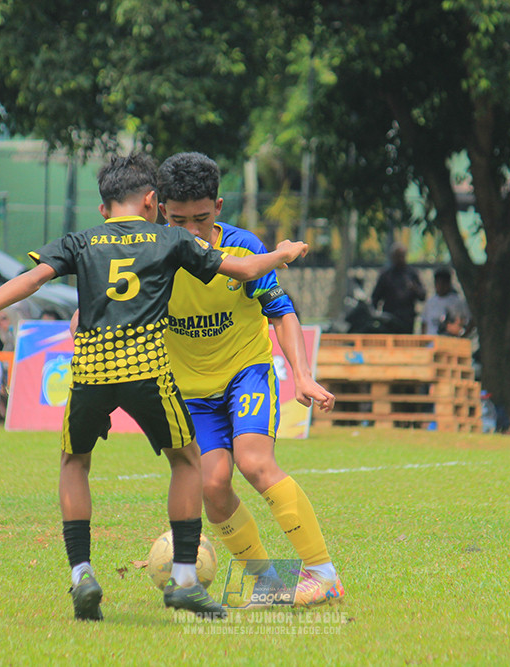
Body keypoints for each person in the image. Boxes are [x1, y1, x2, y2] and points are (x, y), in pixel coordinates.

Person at [0, 152, 310, 622]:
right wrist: (284, 253)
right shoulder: (170, 240)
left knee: (74, 462)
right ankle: (186, 579)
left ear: (103, 208)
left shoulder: (80, 241)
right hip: (148, 370)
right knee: (187, 462)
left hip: (91, 373)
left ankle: (81, 570)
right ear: (152, 201)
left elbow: (29, 283)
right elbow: (245, 270)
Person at [157, 151, 343, 607]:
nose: (192, 231)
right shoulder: (151, 256)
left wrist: (301, 374)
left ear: (218, 208)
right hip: (192, 394)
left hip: (247, 373)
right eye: (179, 220)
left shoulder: (243, 248)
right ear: (161, 210)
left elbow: (281, 312)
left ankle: (323, 574)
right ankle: (267, 581)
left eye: (201, 219)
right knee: (213, 485)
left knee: (255, 463)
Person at [370, 243, 426, 334]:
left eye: (401, 256)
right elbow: (375, 297)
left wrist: (414, 288)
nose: (399, 259)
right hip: (390, 318)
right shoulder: (386, 275)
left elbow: (422, 296)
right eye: (397, 256)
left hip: (407, 318)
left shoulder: (412, 274)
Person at [421, 267, 472, 336]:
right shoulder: (430, 302)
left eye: (443, 283)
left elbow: (468, 321)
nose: (440, 286)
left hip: (449, 342)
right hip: (431, 342)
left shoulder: (458, 301)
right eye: (438, 283)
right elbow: (424, 323)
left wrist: (462, 336)